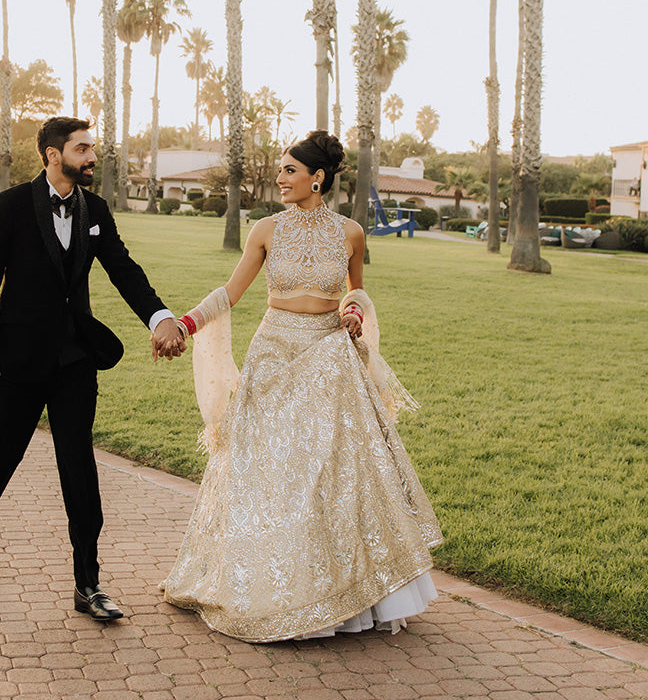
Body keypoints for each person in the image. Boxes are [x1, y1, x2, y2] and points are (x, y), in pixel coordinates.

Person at [158, 131, 442, 643]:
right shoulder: (266, 229)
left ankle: (346, 595)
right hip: (273, 355)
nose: (280, 179)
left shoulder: (352, 232)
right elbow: (232, 291)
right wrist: (186, 323)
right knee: (266, 469)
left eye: (289, 170)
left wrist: (354, 311)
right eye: (281, 170)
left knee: (330, 472)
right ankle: (267, 584)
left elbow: (355, 290)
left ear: (318, 177)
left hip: (330, 356)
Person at [0, 116, 184, 621]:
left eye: (91, 148)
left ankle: (88, 583)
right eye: (82, 148)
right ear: (53, 154)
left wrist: (160, 318)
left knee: (78, 463)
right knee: (5, 452)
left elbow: (124, 270)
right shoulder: (11, 206)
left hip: (76, 359)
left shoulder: (95, 209)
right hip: (17, 360)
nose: (91, 156)